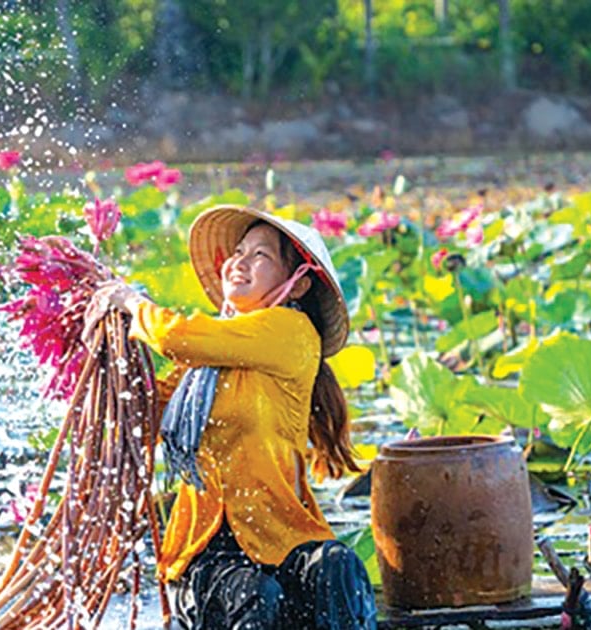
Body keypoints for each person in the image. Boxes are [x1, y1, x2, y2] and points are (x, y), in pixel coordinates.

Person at [91, 204, 378, 629]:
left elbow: (173, 335)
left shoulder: (291, 333)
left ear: (296, 285)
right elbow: (143, 419)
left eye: (260, 256)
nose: (239, 263)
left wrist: (132, 302)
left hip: (285, 536)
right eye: (238, 252)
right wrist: (112, 361)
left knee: (336, 566)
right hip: (208, 550)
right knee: (252, 593)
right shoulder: (202, 363)